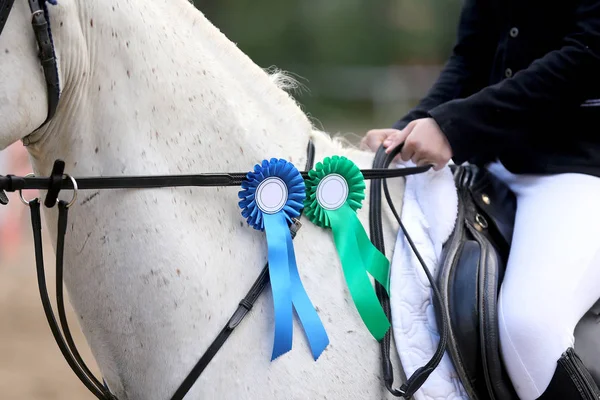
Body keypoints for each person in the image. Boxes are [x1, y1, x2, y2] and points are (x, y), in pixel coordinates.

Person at [361, 1, 600, 399]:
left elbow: (587, 57)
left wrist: (454, 126)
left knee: (529, 325)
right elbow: (470, 58)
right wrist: (413, 126)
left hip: (581, 168)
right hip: (494, 164)